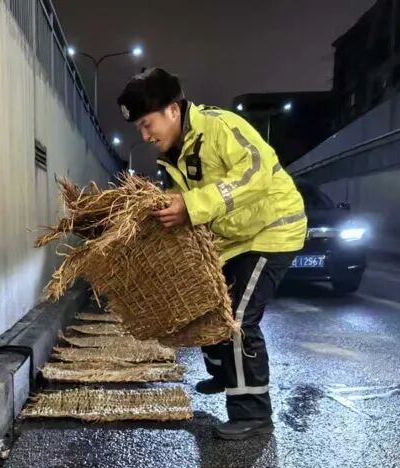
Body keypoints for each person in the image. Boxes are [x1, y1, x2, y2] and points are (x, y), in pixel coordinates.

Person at [117, 68, 307, 441]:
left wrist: (192, 204)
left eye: (146, 123)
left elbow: (258, 173)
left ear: (173, 110)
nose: (144, 135)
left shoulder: (221, 127)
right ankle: (225, 372)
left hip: (272, 231)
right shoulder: (173, 156)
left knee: (236, 320)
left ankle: (253, 414)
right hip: (235, 239)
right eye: (139, 128)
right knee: (204, 304)